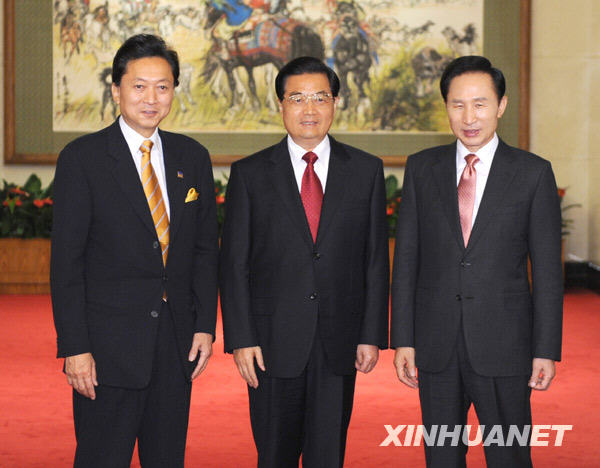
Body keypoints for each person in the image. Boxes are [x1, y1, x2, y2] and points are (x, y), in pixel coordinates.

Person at [50, 34, 219, 468]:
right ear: (116, 90)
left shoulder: (192, 156)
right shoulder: (83, 158)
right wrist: (75, 347)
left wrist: (204, 325)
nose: (151, 98)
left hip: (175, 343)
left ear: (174, 91)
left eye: (163, 87)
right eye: (139, 86)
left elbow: (204, 250)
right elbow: (66, 263)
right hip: (106, 348)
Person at [391, 55, 563, 467]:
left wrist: (545, 349)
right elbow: (407, 260)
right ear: (446, 107)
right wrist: (404, 339)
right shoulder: (422, 169)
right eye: (458, 105)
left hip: (505, 345)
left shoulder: (533, 173)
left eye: (480, 104)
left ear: (501, 105)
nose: (469, 117)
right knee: (442, 454)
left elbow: (548, 272)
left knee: (508, 454)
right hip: (436, 345)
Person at [220, 56, 389, 468]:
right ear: (280, 104)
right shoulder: (250, 174)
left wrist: (370, 334)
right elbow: (234, 264)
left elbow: (374, 261)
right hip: (271, 344)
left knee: (328, 455)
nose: (309, 109)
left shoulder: (365, 171)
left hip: (339, 341)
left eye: (320, 98)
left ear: (335, 103)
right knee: (274, 454)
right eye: (297, 98)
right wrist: (241, 338)